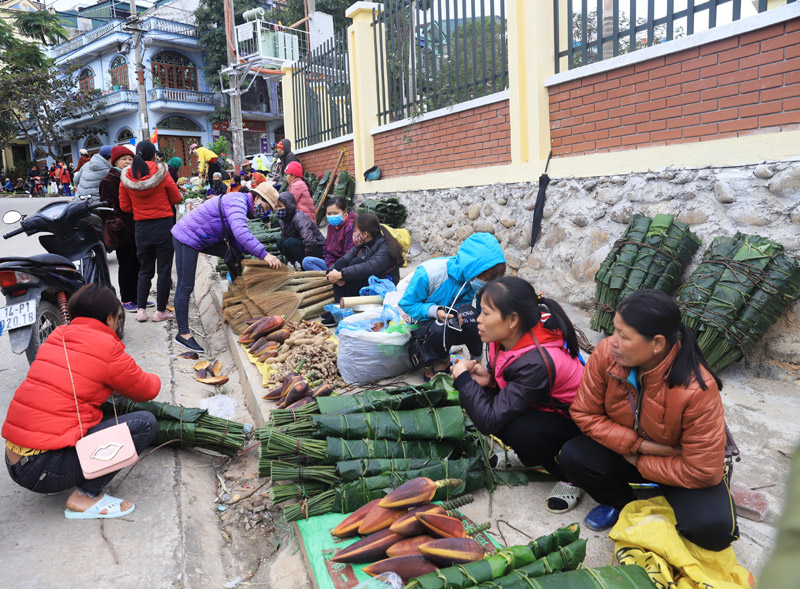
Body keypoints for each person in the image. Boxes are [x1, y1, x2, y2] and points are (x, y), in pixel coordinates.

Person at [558, 289, 738, 551]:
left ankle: (661, 499)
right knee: (574, 454)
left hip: (679, 465)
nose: (613, 341)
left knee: (715, 531)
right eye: (615, 330)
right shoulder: (606, 354)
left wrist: (641, 462)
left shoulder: (698, 388)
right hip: (629, 451)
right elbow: (584, 413)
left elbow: (703, 471)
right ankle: (622, 501)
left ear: (657, 343)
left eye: (624, 336)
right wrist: (638, 447)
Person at [2, 284, 160, 519]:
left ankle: (62, 473)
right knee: (145, 423)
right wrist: (152, 375)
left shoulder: (58, 335)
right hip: (43, 469)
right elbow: (148, 389)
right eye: (118, 317)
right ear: (109, 318)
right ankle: (85, 496)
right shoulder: (108, 348)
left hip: (14, 461)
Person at [451, 276, 586, 512]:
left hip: (577, 427)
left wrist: (463, 378)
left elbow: (489, 421)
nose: (479, 321)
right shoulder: (504, 338)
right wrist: (490, 380)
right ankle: (529, 458)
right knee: (484, 398)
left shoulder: (537, 361)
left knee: (505, 423)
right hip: (545, 408)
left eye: (485, 313)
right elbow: (510, 383)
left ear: (512, 319)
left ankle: (572, 476)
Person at [171, 191, 282, 353]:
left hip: (202, 236)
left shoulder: (240, 202)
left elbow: (234, 236)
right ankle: (183, 334)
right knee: (185, 286)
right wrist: (264, 254)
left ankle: (239, 292)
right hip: (187, 237)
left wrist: (242, 257)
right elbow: (240, 232)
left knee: (231, 255)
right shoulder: (238, 202)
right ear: (257, 198)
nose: (264, 212)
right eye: (265, 207)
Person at [399, 233, 506, 380]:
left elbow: (482, 314)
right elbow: (407, 304)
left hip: (455, 323)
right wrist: (435, 311)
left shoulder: (475, 281)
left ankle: (476, 361)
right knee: (440, 325)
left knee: (473, 316)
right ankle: (441, 361)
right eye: (486, 279)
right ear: (473, 268)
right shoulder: (429, 273)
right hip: (425, 325)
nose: (486, 284)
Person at [119, 140, 181, 323]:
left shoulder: (127, 177)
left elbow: (125, 206)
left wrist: (141, 209)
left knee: (144, 270)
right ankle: (160, 311)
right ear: (154, 155)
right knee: (164, 270)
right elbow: (176, 197)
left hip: (141, 229)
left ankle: (141, 311)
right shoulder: (163, 173)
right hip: (163, 226)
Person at [319, 213, 403, 327]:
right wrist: (332, 272)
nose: (354, 234)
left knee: (355, 264)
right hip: (369, 277)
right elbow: (344, 259)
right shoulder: (363, 244)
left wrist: (341, 275)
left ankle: (342, 312)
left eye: (355, 231)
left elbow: (370, 267)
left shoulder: (385, 247)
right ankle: (339, 307)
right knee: (341, 265)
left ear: (365, 234)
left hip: (384, 284)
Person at [99, 145, 152, 313]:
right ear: (114, 161)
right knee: (126, 265)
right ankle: (127, 299)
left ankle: (139, 297)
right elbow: (106, 209)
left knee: (138, 263)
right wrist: (119, 224)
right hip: (122, 231)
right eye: (124, 159)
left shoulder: (131, 177)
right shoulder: (109, 180)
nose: (127, 162)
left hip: (136, 227)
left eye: (130, 159)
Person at [302, 197, 356, 272]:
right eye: (329, 214)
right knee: (307, 261)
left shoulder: (350, 227)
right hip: (331, 263)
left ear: (345, 211)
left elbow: (348, 254)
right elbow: (326, 246)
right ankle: (328, 277)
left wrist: (336, 267)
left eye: (335, 213)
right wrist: (329, 262)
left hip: (344, 266)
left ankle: (330, 278)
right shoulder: (331, 226)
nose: (332, 216)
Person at [275, 191, 325, 266]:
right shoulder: (283, 220)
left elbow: (310, 241)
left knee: (290, 242)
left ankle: (302, 265)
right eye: (276, 207)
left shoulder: (299, 218)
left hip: (317, 248)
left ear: (288, 206)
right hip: (301, 245)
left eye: (280, 206)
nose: (278, 209)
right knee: (280, 242)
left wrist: (307, 261)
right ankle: (294, 263)